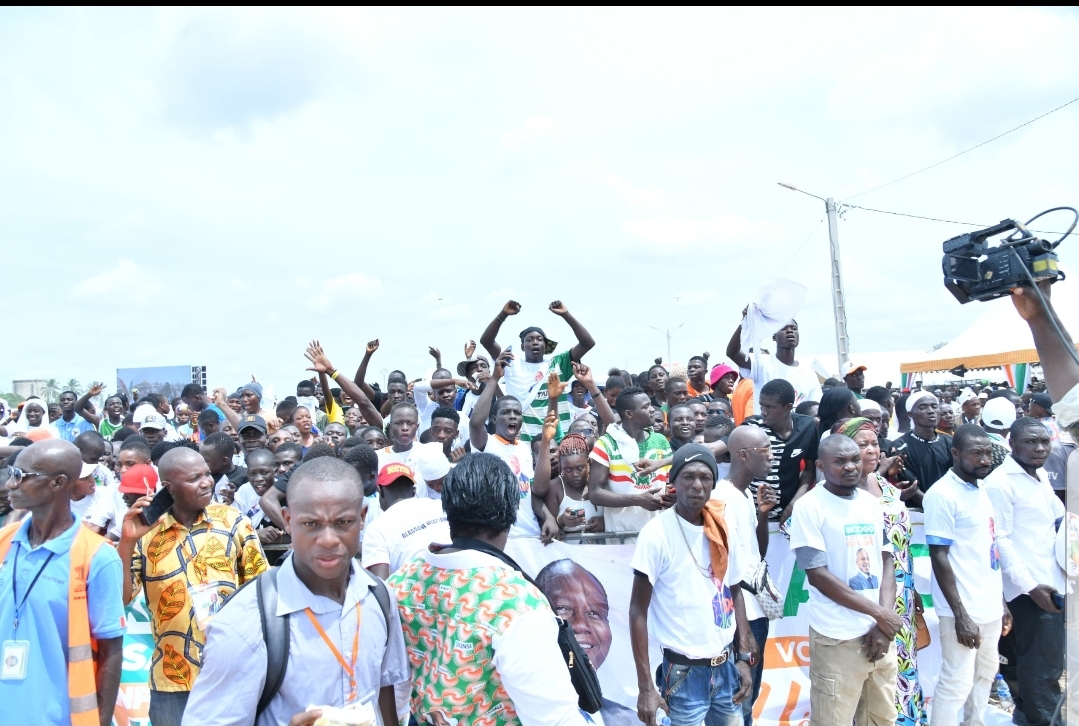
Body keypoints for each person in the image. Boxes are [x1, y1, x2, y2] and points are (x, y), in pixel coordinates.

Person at [182, 457, 409, 726]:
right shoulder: (245, 624)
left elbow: (382, 692)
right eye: (311, 524)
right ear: (288, 521)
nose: (328, 540)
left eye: (343, 522)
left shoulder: (379, 596)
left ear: (362, 519)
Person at [387, 453, 589, 726]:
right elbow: (554, 718)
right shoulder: (517, 603)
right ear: (511, 513)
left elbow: (393, 686)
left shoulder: (401, 582)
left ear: (447, 507)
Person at [118, 446, 266, 726]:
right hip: (173, 680)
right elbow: (119, 599)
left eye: (207, 474)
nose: (207, 482)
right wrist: (126, 543)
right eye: (194, 477)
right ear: (168, 487)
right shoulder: (145, 534)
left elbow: (261, 588)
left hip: (232, 672)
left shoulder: (233, 522)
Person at [0, 439, 126, 726]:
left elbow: (111, 652)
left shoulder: (97, 557)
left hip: (60, 717)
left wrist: (101, 721)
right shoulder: (4, 543)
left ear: (57, 483)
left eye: (20, 476)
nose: (10, 485)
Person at [630, 444, 754, 726]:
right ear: (673, 481)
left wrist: (743, 657)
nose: (697, 485)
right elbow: (638, 611)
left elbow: (735, 590)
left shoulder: (723, 526)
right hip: (683, 673)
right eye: (688, 477)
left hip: (725, 668)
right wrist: (646, 686)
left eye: (705, 477)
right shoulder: (657, 533)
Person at [788, 435, 901, 726]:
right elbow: (817, 575)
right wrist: (879, 613)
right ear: (821, 465)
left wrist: (881, 622)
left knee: (881, 719)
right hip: (838, 637)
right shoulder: (810, 506)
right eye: (840, 461)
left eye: (854, 459)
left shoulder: (871, 503)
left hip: (878, 634)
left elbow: (887, 560)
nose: (850, 466)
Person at [832, 417, 925, 726]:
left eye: (874, 443)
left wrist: (910, 591)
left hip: (900, 600)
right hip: (865, 604)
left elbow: (900, 545)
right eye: (863, 445)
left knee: (901, 672)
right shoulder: (834, 495)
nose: (872, 450)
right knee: (866, 682)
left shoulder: (884, 485)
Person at [923, 424, 1005, 726]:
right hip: (961, 608)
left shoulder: (980, 489)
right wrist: (960, 614)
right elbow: (939, 556)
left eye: (988, 453)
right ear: (956, 453)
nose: (985, 460)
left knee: (986, 672)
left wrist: (1002, 602)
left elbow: (988, 550)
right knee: (956, 681)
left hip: (989, 604)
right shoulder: (942, 495)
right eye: (976, 453)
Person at [984, 417, 1064, 726]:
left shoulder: (1039, 475)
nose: (1040, 448)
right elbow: (999, 538)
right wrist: (1030, 586)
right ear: (1012, 444)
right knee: (1041, 667)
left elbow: (1059, 518)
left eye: (1044, 441)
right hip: (1029, 590)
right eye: (1031, 442)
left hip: (1052, 580)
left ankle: (1028, 717)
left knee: (1044, 661)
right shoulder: (1000, 483)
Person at [710, 426, 779, 726]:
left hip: (753, 612)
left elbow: (756, 552)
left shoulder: (745, 492)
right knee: (740, 699)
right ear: (742, 455)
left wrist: (763, 514)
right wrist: (743, 634)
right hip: (742, 617)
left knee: (747, 695)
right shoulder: (722, 498)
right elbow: (727, 574)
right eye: (765, 451)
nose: (772, 457)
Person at [535, 559, 639, 726]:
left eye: (594, 612)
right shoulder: (515, 713)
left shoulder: (631, 721)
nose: (581, 625)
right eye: (563, 608)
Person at [469, 351, 558, 541]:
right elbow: (476, 422)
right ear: (493, 419)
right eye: (506, 412)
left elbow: (530, 493)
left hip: (531, 535)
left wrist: (548, 516)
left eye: (517, 413)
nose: (512, 416)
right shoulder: (487, 444)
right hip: (500, 538)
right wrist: (494, 378)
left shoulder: (524, 448)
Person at [479, 299, 596, 442]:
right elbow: (486, 341)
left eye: (539, 339)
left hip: (558, 440)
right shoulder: (510, 363)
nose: (534, 342)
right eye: (529, 340)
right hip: (524, 442)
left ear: (545, 346)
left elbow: (587, 343)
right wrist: (503, 314)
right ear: (522, 347)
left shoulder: (558, 363)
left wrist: (566, 315)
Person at [588, 386, 673, 535]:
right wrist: (637, 500)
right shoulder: (606, 444)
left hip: (660, 534)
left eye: (650, 405)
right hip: (621, 536)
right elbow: (595, 494)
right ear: (629, 414)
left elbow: (669, 483)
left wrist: (672, 496)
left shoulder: (661, 441)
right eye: (646, 407)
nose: (652, 409)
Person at [361, 463, 451, 579]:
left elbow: (379, 586)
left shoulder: (376, 529)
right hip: (460, 583)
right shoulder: (440, 505)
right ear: (414, 491)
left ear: (380, 491)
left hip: (417, 593)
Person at [745, 379, 818, 518]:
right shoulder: (752, 426)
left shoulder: (807, 426)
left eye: (770, 407)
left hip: (789, 511)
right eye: (761, 406)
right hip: (755, 513)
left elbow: (810, 469)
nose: (763, 412)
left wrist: (793, 505)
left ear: (788, 407)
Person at [726, 317, 822, 415]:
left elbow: (815, 410)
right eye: (783, 328)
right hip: (765, 429)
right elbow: (733, 353)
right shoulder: (762, 363)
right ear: (774, 337)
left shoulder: (809, 374)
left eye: (794, 328)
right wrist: (745, 322)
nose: (789, 331)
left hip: (798, 430)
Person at [535, 412, 603, 536]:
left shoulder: (599, 480)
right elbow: (548, 528)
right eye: (568, 470)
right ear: (561, 467)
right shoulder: (554, 487)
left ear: (588, 462)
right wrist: (561, 521)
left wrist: (604, 522)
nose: (575, 474)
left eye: (580, 468)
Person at [893, 391, 952, 505]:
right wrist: (935, 508)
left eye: (934, 406)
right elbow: (912, 488)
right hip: (920, 513)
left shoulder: (949, 442)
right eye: (923, 407)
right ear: (911, 414)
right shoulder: (900, 446)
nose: (931, 411)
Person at [200, 431, 247, 506]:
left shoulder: (245, 476)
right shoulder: (203, 477)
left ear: (225, 460)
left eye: (206, 461)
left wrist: (237, 496)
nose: (201, 464)